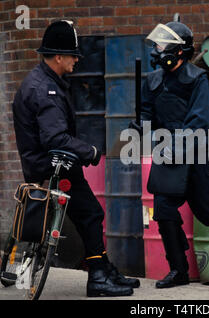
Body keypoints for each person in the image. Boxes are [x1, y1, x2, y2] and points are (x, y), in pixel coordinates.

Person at [12, 20, 139, 297]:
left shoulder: (41, 80)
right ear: (58, 56)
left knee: (88, 214)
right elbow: (55, 138)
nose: (76, 60)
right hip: (53, 165)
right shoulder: (46, 90)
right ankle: (98, 277)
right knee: (91, 214)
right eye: (73, 55)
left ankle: (103, 268)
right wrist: (90, 152)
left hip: (52, 163)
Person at [130, 21, 209, 289]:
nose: (157, 49)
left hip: (197, 156)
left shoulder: (198, 79)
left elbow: (197, 122)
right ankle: (178, 271)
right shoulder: (151, 81)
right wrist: (142, 127)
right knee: (163, 211)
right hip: (168, 155)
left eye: (162, 45)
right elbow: (147, 114)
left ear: (178, 51)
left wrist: (173, 149)